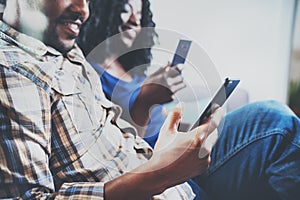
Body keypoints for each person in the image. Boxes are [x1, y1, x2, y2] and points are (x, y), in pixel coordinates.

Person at [0, 1, 299, 200]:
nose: (83, 9)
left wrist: (174, 145)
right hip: (158, 175)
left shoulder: (71, 53)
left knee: (272, 121)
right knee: (274, 124)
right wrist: (160, 168)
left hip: (163, 166)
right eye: (126, 11)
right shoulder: (16, 68)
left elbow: (121, 139)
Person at [77, 0, 186, 147]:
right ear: (103, 12)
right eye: (125, 10)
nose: (135, 21)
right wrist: (145, 100)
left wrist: (193, 129)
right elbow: (121, 149)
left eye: (140, 17)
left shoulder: (134, 74)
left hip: (174, 143)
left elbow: (161, 123)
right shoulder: (90, 73)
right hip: (155, 158)